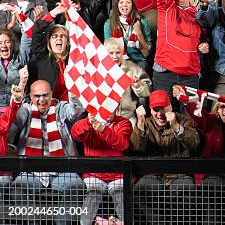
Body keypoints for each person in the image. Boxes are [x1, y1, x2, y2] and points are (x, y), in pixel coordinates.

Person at [9, 80, 85, 225]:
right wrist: (17, 100)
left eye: (45, 95)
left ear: (51, 95)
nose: (41, 99)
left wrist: (74, 95)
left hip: (63, 169)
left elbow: (76, 113)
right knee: (18, 187)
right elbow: (14, 119)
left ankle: (62, 223)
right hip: (31, 171)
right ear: (30, 96)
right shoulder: (26, 109)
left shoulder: (61, 107)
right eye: (37, 96)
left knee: (77, 186)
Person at [131, 90, 200, 224]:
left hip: (179, 175)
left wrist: (175, 125)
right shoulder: (145, 123)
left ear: (170, 107)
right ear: (150, 110)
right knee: (140, 189)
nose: (160, 114)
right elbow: (136, 149)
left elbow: (194, 143)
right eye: (156, 109)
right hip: (152, 175)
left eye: (163, 109)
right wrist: (140, 123)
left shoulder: (183, 120)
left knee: (187, 190)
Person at [152, 0, 202, 102]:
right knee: (162, 114)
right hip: (164, 72)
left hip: (190, 75)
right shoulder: (166, 8)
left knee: (191, 117)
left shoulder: (200, 14)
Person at [71, 109, 132, 225]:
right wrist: (88, 123)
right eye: (105, 108)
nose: (108, 112)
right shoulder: (89, 122)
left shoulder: (124, 122)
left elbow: (122, 144)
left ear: (117, 108)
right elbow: (75, 134)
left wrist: (104, 130)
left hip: (118, 175)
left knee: (122, 198)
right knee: (92, 197)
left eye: (111, 108)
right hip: (94, 174)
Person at [104, 37, 152, 125]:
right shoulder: (99, 70)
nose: (115, 56)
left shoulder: (132, 68)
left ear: (122, 53)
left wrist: (137, 85)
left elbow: (147, 92)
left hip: (127, 116)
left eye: (118, 52)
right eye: (111, 53)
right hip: (106, 116)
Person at [104, 0, 151, 69]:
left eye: (128, 2)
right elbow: (108, 50)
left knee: (144, 66)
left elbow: (146, 53)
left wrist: (138, 32)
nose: (124, 5)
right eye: (121, 2)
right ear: (117, 5)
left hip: (138, 60)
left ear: (132, 5)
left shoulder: (142, 21)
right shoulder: (109, 24)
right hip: (118, 60)